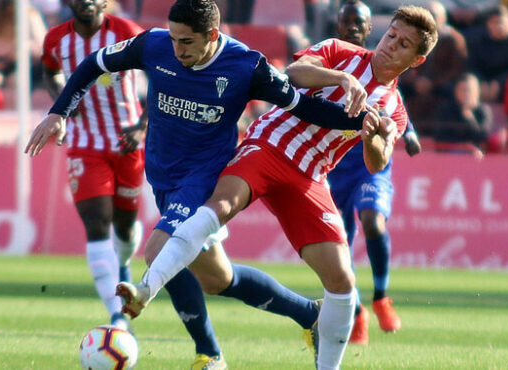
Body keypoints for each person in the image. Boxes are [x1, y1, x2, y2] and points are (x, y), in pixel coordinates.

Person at [25, 1, 371, 368]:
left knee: (159, 251)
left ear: (213, 36)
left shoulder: (247, 66)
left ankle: (209, 354)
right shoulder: (153, 45)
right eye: (174, 39)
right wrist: (58, 113)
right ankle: (309, 315)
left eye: (187, 42)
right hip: (163, 176)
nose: (177, 49)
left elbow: (302, 106)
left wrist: (362, 120)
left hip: (204, 177)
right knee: (217, 278)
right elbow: (95, 64)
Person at [116, 5, 437, 369]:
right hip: (269, 145)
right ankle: (145, 290)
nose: (391, 44)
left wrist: (373, 139)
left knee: (343, 283)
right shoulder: (342, 52)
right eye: (392, 34)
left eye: (404, 43)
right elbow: (293, 74)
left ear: (417, 59)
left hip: (310, 177)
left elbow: (376, 162)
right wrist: (341, 79)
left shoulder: (394, 109)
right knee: (220, 207)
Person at [36, 0, 145, 334]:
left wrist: (143, 125)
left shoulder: (126, 31)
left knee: (125, 229)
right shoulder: (56, 38)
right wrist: (64, 102)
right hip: (85, 144)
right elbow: (49, 70)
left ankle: (123, 262)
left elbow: (163, 75)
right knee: (97, 224)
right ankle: (117, 317)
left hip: (128, 141)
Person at [326, 0, 422, 347]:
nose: (352, 27)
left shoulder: (380, 63)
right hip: (332, 167)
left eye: (360, 23)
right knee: (339, 248)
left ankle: (381, 296)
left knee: (373, 222)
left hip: (370, 165)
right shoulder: (332, 59)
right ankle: (356, 314)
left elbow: (392, 99)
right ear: (337, 24)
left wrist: (408, 132)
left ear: (369, 30)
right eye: (347, 21)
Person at [399, 1, 467, 134]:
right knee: (396, 89)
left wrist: (432, 83)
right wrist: (416, 81)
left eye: (434, 16)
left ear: (443, 18)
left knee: (453, 92)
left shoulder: (453, 40)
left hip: (441, 84)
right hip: (417, 84)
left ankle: (445, 133)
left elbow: (456, 70)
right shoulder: (412, 38)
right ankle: (401, 128)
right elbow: (402, 64)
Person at [466, 5, 508, 102]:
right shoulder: (478, 42)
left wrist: (499, 82)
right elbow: (472, 66)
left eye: (502, 22)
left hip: (505, 86)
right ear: (488, 24)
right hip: (482, 85)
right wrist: (481, 81)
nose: (499, 26)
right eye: (495, 22)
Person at [0, 0, 47, 88]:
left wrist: (22, 48)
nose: (10, 10)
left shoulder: (31, 17)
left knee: (17, 80)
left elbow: (41, 47)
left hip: (26, 65)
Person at [435, 73, 492, 157]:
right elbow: (440, 136)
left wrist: (470, 118)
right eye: (463, 90)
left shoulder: (483, 111)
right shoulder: (446, 110)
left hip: (477, 154)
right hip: (451, 153)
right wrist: (462, 146)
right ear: (456, 91)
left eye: (469, 90)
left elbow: (483, 136)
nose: (466, 94)